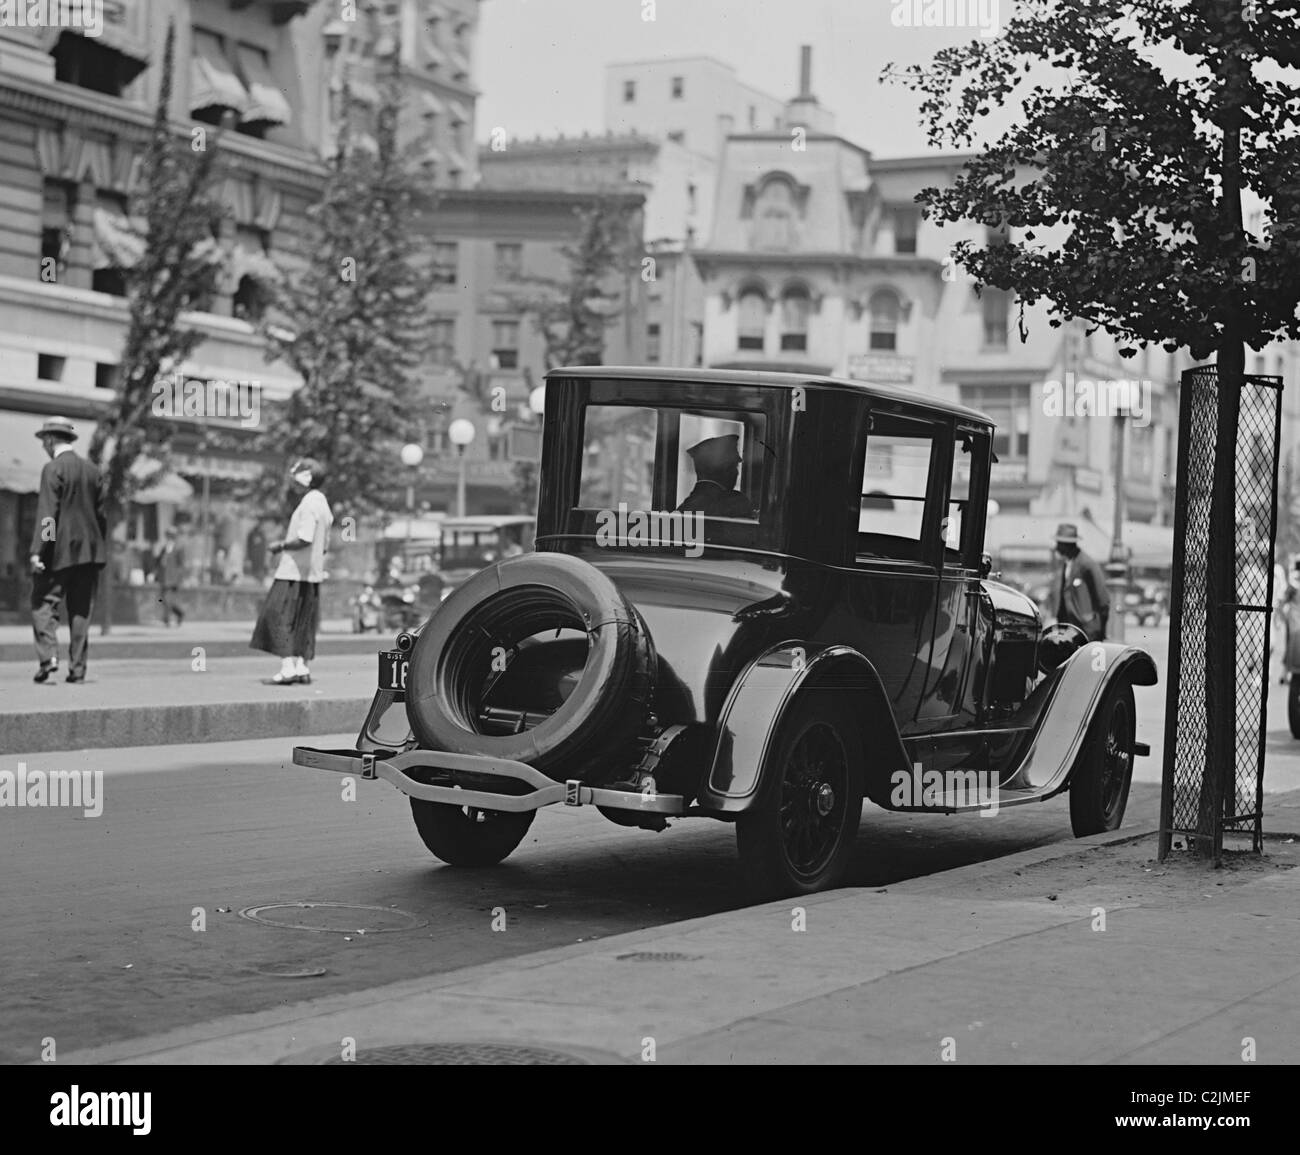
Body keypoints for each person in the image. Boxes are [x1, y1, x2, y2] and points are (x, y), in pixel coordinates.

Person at [28, 416, 107, 684]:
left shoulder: (53, 469)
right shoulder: (93, 471)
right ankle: (78, 669)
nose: (43, 447)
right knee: (81, 610)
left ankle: (49, 655)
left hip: (59, 551)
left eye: (43, 442)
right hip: (89, 554)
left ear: (50, 440)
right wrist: (97, 547)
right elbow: (101, 516)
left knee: (42, 602)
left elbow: (49, 516)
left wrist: (40, 549)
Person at [249, 458, 334, 685]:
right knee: (304, 620)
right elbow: (324, 544)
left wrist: (280, 546)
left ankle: (287, 667)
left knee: (278, 616)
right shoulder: (324, 505)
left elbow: (305, 538)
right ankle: (301, 666)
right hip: (312, 574)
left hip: (293, 573)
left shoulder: (308, 504)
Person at [1050, 523, 1110, 641]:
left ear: (1069, 545)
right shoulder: (1067, 564)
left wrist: (1098, 630)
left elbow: (1103, 601)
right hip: (1069, 631)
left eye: (1060, 544)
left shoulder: (1087, 565)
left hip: (1086, 631)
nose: (1057, 547)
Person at [676, 434, 755, 519]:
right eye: (734, 466)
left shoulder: (682, 508)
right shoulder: (736, 502)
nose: (737, 473)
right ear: (725, 469)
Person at [152, 526, 185, 627]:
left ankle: (167, 619)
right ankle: (179, 613)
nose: (169, 537)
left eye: (171, 535)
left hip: (173, 578)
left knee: (167, 599)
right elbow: (158, 561)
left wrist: (179, 579)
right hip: (164, 577)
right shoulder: (164, 547)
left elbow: (181, 564)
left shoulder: (179, 547)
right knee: (162, 599)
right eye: (168, 535)